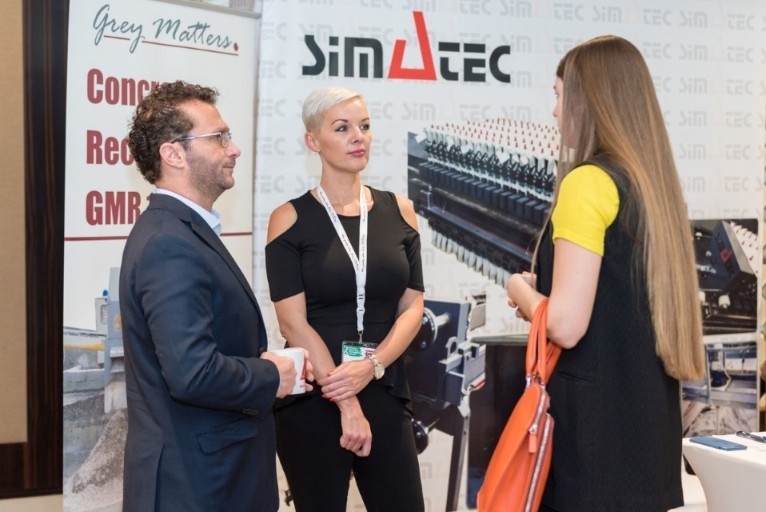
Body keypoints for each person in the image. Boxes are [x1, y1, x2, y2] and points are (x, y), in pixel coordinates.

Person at [505, 36, 705, 512]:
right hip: (649, 441)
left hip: (591, 444)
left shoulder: (587, 183)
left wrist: (521, 292)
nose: (555, 112)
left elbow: (566, 326)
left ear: (588, 99)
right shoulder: (654, 190)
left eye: (560, 95)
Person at [120, 80, 312, 512]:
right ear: (173, 154)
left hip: (210, 477)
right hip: (197, 486)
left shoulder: (180, 232)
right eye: (219, 137)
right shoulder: (169, 243)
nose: (234, 149)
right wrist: (271, 374)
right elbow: (192, 372)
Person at [265, 86, 426, 512]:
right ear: (312, 141)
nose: (358, 137)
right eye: (342, 128)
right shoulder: (289, 218)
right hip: (316, 396)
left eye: (364, 126)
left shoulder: (400, 211)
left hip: (383, 385)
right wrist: (347, 399)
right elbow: (292, 323)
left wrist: (372, 366)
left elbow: (412, 305)